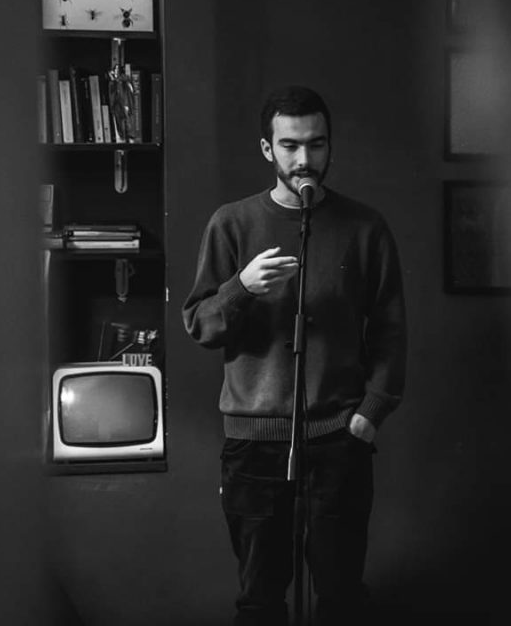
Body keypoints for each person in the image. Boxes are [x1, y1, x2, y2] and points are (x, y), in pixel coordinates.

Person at [183, 86, 407, 626]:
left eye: (316, 144)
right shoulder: (231, 223)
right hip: (253, 445)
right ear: (267, 149)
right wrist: (241, 287)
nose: (304, 158)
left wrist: (370, 412)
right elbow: (200, 325)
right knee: (260, 600)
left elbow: (391, 329)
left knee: (341, 596)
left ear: (330, 146)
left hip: (338, 439)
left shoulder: (365, 228)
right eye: (289, 145)